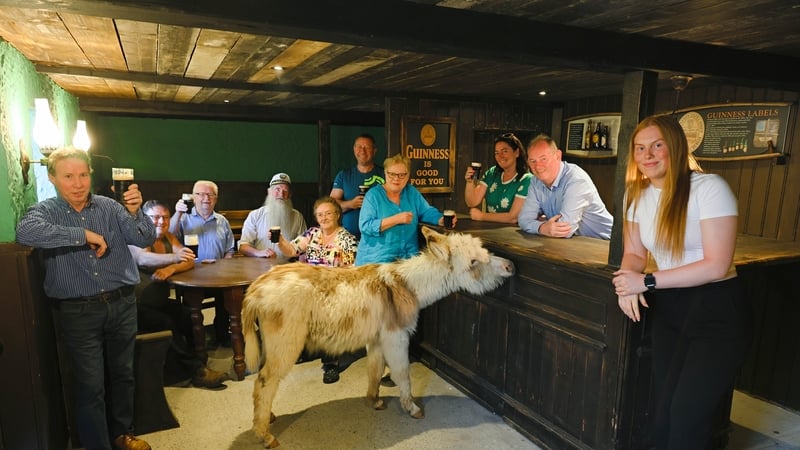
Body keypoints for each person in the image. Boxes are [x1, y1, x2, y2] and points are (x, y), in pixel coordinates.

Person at [611, 115, 751, 450]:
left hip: (717, 310)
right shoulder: (637, 194)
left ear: (675, 146)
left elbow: (716, 265)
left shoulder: (710, 188)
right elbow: (633, 254)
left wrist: (644, 281)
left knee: (688, 414)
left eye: (657, 145)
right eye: (640, 148)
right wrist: (624, 282)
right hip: (671, 307)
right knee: (664, 410)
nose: (648, 154)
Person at [16, 147, 155, 450]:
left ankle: (123, 434)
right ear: (52, 178)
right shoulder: (45, 211)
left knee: (123, 374)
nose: (77, 183)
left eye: (82, 175)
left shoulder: (110, 206)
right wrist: (85, 235)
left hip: (122, 303)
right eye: (68, 176)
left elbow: (144, 238)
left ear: (90, 175)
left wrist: (135, 211)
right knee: (90, 386)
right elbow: (25, 233)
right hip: (77, 310)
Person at [129, 200, 229, 389]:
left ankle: (199, 363)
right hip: (135, 306)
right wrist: (175, 258)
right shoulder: (138, 236)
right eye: (155, 217)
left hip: (158, 301)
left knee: (187, 315)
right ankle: (195, 371)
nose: (161, 222)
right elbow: (142, 257)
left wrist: (172, 268)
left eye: (165, 218)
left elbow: (189, 260)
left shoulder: (167, 237)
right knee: (166, 323)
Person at [274, 196, 359, 383]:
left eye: (328, 213)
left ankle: (330, 363)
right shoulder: (311, 234)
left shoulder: (347, 238)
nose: (324, 217)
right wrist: (279, 241)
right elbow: (291, 250)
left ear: (337, 214)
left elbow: (349, 271)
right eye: (320, 214)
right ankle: (301, 350)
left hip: (335, 287)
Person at [169, 180, 235, 347]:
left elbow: (229, 250)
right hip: (192, 275)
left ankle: (221, 335)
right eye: (201, 194)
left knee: (229, 298)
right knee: (191, 305)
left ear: (216, 198)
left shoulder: (222, 221)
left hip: (219, 276)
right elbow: (168, 236)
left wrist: (225, 266)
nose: (206, 198)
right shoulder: (183, 219)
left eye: (210, 195)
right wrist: (177, 213)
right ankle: (193, 341)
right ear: (193, 197)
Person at [356, 153, 453, 265]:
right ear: (385, 173)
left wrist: (439, 219)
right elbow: (365, 226)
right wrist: (396, 219)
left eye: (402, 175)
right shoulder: (373, 195)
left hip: (407, 261)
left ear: (408, 176)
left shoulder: (411, 192)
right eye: (392, 174)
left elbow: (426, 211)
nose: (396, 178)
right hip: (377, 262)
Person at [518, 134, 613, 239]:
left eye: (543, 159)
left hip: (606, 246)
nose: (538, 166)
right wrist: (542, 227)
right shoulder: (536, 181)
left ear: (558, 156)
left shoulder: (576, 180)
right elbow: (523, 220)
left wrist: (539, 225)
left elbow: (565, 230)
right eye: (533, 161)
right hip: (574, 246)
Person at [464, 132, 532, 223]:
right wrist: (469, 182)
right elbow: (472, 202)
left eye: (505, 151)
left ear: (516, 152)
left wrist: (482, 216)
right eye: (497, 153)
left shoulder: (526, 179)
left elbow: (513, 217)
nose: (500, 156)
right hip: (489, 233)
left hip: (513, 235)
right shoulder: (493, 173)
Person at [239, 172, 307, 258]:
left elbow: (304, 247)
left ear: (290, 195)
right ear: (269, 192)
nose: (281, 194)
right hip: (260, 266)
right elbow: (243, 246)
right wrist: (260, 253)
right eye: (277, 189)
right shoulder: (255, 215)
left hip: (288, 267)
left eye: (285, 190)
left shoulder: (297, 217)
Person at [330, 134, 385, 239]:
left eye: (367, 147)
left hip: (378, 237)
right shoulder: (344, 175)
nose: (362, 151)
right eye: (359, 147)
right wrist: (351, 204)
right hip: (349, 238)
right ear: (354, 149)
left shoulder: (385, 174)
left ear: (374, 150)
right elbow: (331, 204)